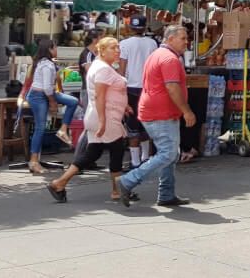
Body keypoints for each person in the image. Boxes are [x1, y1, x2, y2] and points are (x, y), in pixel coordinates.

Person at [117, 25, 195, 208]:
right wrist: (187, 111)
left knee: (169, 154)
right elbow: (172, 87)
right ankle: (128, 180)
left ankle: (166, 194)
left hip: (158, 110)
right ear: (170, 39)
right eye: (182, 38)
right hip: (160, 113)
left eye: (186, 38)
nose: (186, 42)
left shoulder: (159, 54)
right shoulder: (169, 59)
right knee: (168, 153)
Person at [46, 37, 131, 203]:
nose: (117, 51)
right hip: (105, 116)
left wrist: (124, 106)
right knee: (117, 150)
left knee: (92, 153)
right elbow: (99, 95)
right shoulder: (103, 69)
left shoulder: (101, 67)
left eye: (118, 48)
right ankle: (117, 190)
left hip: (100, 115)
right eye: (113, 48)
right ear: (102, 50)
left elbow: (106, 93)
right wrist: (103, 121)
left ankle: (59, 183)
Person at [26, 39, 80, 174]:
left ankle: (63, 129)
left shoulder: (47, 63)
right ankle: (33, 161)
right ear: (50, 49)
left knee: (73, 101)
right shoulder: (47, 66)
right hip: (39, 96)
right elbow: (47, 88)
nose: (57, 50)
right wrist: (52, 102)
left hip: (45, 93)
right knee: (40, 127)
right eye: (55, 47)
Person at [119, 16, 158, 169]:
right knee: (146, 123)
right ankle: (146, 157)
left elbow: (122, 69)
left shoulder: (124, 44)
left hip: (130, 88)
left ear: (130, 27)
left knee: (132, 125)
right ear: (145, 26)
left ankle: (135, 161)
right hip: (148, 88)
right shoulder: (153, 43)